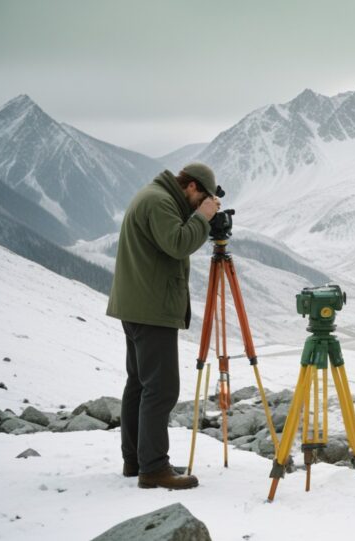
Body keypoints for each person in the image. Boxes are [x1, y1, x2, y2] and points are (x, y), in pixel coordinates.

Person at [106, 162, 220, 489]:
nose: (199, 208)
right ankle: (153, 468)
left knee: (140, 384)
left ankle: (137, 460)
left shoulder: (155, 196)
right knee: (162, 388)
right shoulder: (159, 202)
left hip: (139, 304)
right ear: (193, 188)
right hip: (151, 308)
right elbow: (178, 243)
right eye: (201, 201)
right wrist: (203, 218)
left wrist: (200, 214)